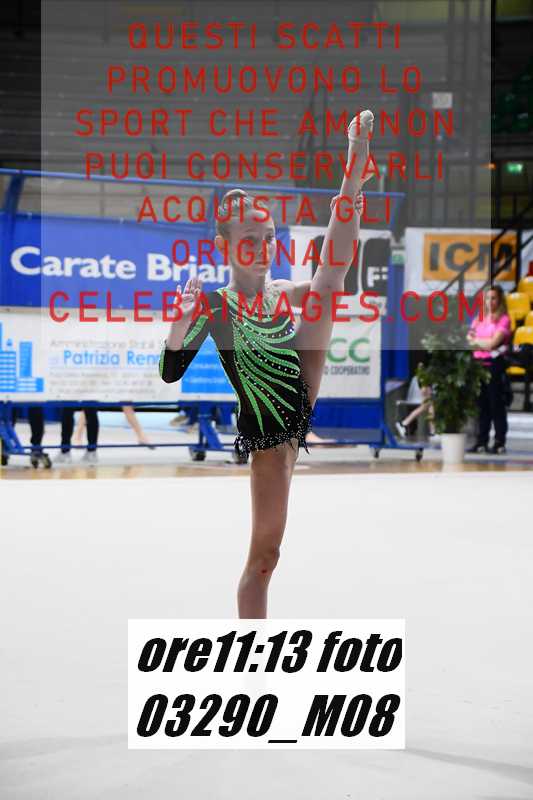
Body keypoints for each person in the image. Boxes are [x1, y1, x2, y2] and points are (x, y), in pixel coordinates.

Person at [159, 109, 374, 618]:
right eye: (249, 242)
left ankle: (353, 170)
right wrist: (179, 324)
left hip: (300, 392)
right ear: (224, 247)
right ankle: (253, 648)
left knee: (328, 283)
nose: (262, 249)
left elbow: (329, 274)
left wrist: (350, 190)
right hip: (269, 437)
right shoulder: (215, 305)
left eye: (269, 238)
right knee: (264, 560)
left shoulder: (278, 290)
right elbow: (170, 371)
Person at [466, 284, 512, 454]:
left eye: (493, 298)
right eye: (487, 298)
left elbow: (493, 343)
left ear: (499, 300)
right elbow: (468, 339)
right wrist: (483, 343)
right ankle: (481, 441)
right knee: (481, 405)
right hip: (477, 365)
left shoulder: (504, 319)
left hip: (494, 365)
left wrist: (478, 341)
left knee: (496, 404)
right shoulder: (479, 318)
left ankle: (499, 441)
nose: (490, 301)